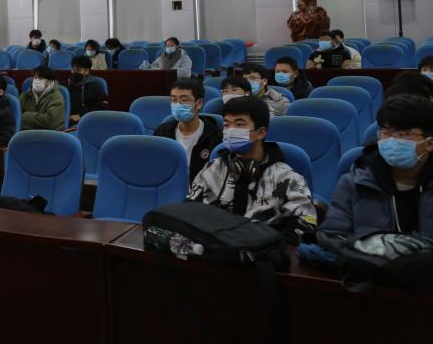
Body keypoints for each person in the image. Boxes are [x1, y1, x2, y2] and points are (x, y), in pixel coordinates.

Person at [188, 96, 318, 243]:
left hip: (264, 251)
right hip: (214, 248)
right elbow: (189, 210)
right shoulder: (212, 169)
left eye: (239, 124)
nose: (230, 131)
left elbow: (305, 224)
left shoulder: (287, 177)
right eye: (226, 125)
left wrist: (270, 245)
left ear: (260, 132)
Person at [319, 95, 433, 251]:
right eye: (386, 133)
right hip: (367, 264)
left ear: (429, 143)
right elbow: (332, 237)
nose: (393, 141)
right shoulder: (354, 183)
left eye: (405, 134)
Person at [153, 79, 222, 183]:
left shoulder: (215, 136)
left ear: (199, 103)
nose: (178, 105)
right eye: (174, 100)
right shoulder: (162, 132)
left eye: (184, 100)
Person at [20, 67, 65, 131]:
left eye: (40, 78)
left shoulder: (56, 97)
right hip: (28, 132)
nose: (37, 81)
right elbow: (17, 116)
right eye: (35, 78)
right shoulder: (26, 95)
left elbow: (52, 122)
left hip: (51, 133)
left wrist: (26, 116)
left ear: (50, 81)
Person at [68, 55, 107, 125]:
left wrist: (81, 115)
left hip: (87, 121)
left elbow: (102, 107)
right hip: (67, 120)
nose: (75, 73)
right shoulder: (67, 85)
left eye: (79, 70)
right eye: (73, 70)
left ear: (87, 71)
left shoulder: (95, 87)